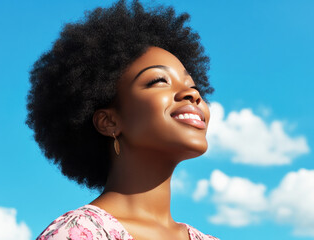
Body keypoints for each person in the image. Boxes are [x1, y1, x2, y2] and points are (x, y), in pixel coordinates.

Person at [27, 0, 218, 239]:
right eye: (159, 81)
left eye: (193, 85)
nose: (193, 94)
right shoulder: (78, 233)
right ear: (109, 122)